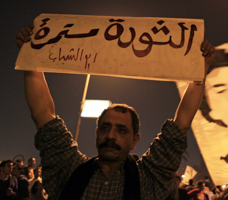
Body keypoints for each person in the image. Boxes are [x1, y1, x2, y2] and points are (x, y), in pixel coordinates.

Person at [16, 24, 215, 200]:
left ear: (135, 140)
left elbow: (182, 122)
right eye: (105, 127)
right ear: (96, 133)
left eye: (121, 130)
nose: (110, 136)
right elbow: (42, 114)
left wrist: (200, 70)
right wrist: (30, 59)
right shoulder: (70, 169)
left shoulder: (148, 178)